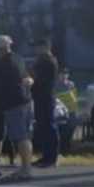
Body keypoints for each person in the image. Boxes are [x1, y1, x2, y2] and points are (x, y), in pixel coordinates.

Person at [0, 35, 36, 181]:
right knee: (24, 136)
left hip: (13, 103)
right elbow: (28, 77)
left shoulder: (1, 64)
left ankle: (26, 170)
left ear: (1, 50)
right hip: (25, 101)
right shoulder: (18, 58)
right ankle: (25, 167)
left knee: (20, 137)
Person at [31, 39, 60, 168]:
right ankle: (46, 155)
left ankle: (51, 157)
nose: (36, 50)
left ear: (44, 47)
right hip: (41, 97)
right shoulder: (42, 60)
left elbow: (40, 80)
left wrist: (31, 85)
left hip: (45, 97)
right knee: (43, 126)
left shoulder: (47, 61)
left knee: (48, 126)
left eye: (38, 47)